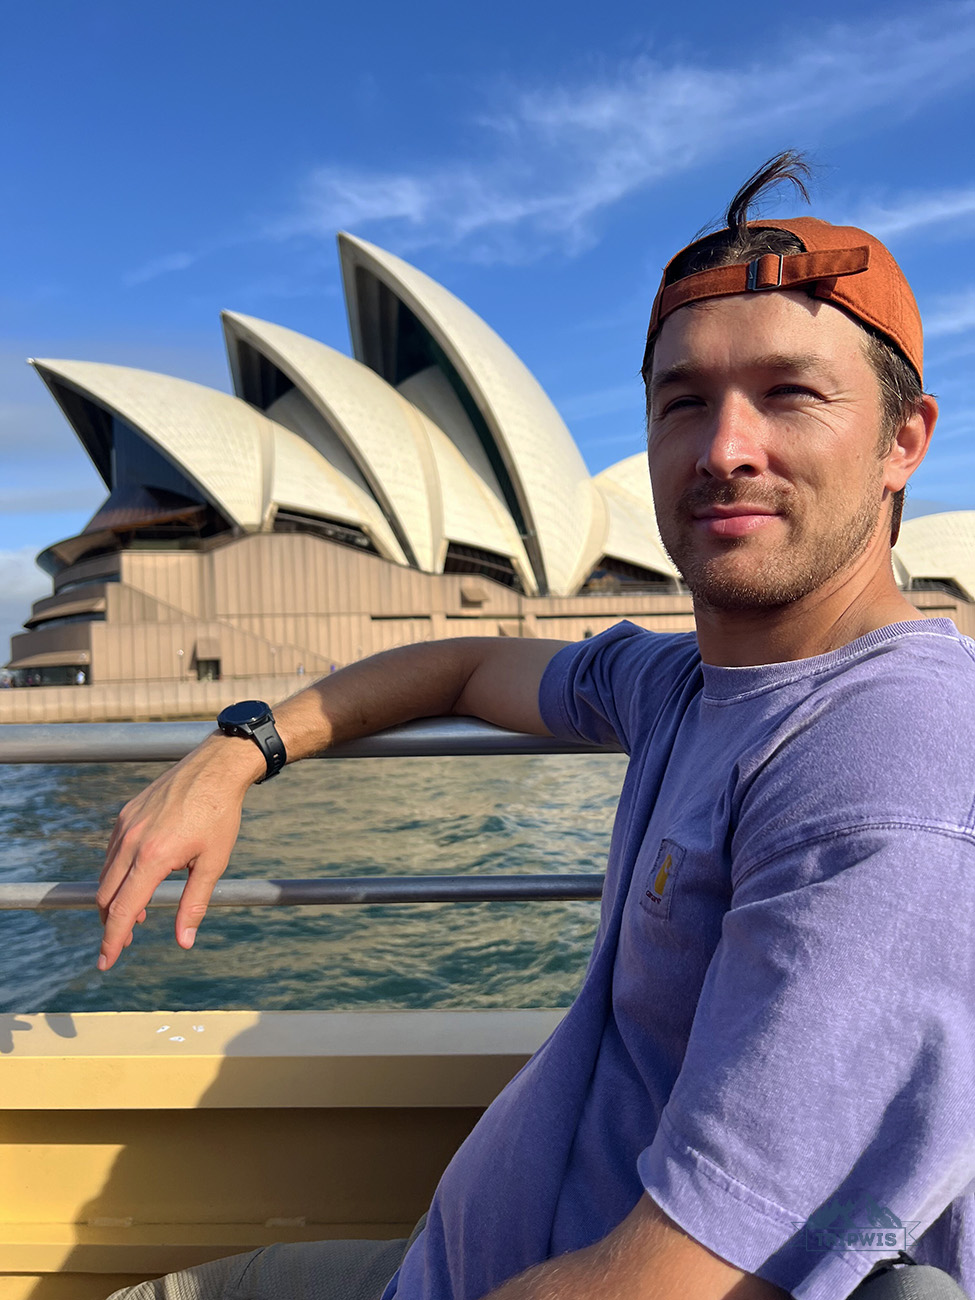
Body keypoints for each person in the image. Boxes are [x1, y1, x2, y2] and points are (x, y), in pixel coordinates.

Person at [97, 155, 974, 1300]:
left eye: (791, 394)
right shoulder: (683, 685)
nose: (724, 449)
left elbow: (674, 1285)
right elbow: (462, 661)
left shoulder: (894, 762)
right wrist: (239, 747)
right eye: (685, 402)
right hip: (458, 1259)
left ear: (906, 439)